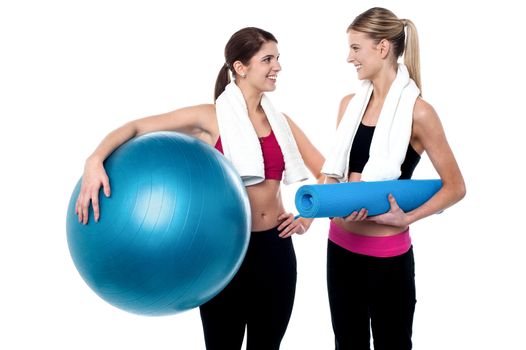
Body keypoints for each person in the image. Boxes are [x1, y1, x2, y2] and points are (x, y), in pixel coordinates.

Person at [75, 27, 325, 350]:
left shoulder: (283, 123)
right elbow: (136, 127)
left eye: (278, 59)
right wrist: (94, 159)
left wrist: (307, 217)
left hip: (275, 251)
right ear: (240, 67)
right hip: (221, 256)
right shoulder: (211, 118)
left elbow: (327, 173)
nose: (277, 67)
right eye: (268, 59)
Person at [321, 8, 466, 350]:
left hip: (387, 256)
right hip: (340, 248)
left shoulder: (420, 112)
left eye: (356, 48)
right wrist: (330, 200)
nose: (349, 58)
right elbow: (335, 174)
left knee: (393, 344)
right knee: (347, 343)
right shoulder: (348, 105)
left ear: (382, 48)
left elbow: (456, 186)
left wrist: (409, 217)